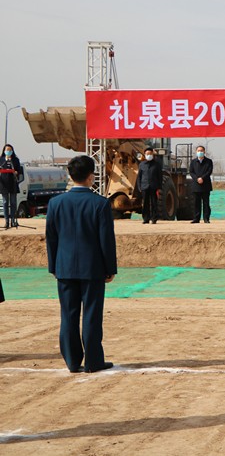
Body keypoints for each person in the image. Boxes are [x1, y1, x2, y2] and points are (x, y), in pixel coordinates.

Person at [45, 155, 117, 374]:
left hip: (64, 267)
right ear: (91, 176)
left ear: (70, 175)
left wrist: (53, 266)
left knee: (68, 315)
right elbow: (106, 240)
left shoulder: (55, 203)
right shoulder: (100, 204)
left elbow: (51, 238)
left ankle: (72, 360)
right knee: (92, 315)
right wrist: (110, 268)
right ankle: (93, 361)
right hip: (93, 268)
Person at [135, 147, 162, 225]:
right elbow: (139, 177)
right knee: (145, 203)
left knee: (154, 203)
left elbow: (160, 177)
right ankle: (146, 219)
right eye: (147, 154)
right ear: (144, 155)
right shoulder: (142, 165)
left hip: (154, 186)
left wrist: (159, 187)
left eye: (150, 154)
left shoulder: (157, 165)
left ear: (153, 154)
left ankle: (154, 218)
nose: (149, 155)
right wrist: (139, 187)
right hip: (144, 186)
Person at [189, 145, 213, 223]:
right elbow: (191, 172)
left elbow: (209, 171)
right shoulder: (193, 162)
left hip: (205, 185)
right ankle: (196, 218)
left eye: (201, 151)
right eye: (198, 151)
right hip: (196, 185)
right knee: (196, 203)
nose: (200, 152)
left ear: (204, 152)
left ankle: (206, 218)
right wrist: (197, 179)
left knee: (206, 203)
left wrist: (202, 178)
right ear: (196, 152)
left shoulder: (209, 161)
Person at [1, 143, 22, 229]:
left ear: (12, 151)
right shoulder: (1, 159)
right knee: (5, 202)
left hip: (13, 183)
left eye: (10, 150)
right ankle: (6, 221)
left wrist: (16, 172)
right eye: (7, 150)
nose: (8, 151)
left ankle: (13, 220)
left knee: (13, 202)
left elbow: (19, 171)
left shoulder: (15, 160)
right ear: (4, 151)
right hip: (3, 184)